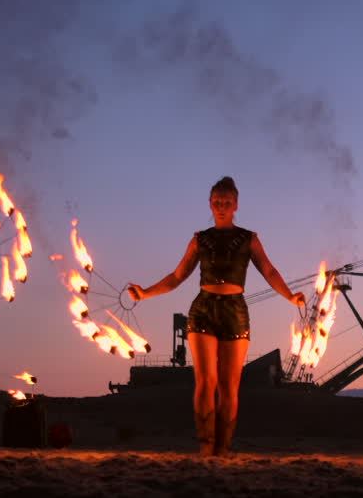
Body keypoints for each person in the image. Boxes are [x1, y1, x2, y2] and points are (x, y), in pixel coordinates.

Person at [127, 177, 306, 457]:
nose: (221, 207)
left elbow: (269, 271)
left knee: (229, 386)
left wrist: (290, 296)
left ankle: (222, 448)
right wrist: (144, 293)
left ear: (235, 205)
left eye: (226, 202)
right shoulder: (200, 239)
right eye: (216, 202)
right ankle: (206, 446)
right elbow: (177, 276)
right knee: (205, 381)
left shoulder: (249, 239)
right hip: (203, 310)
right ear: (210, 204)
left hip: (234, 311)